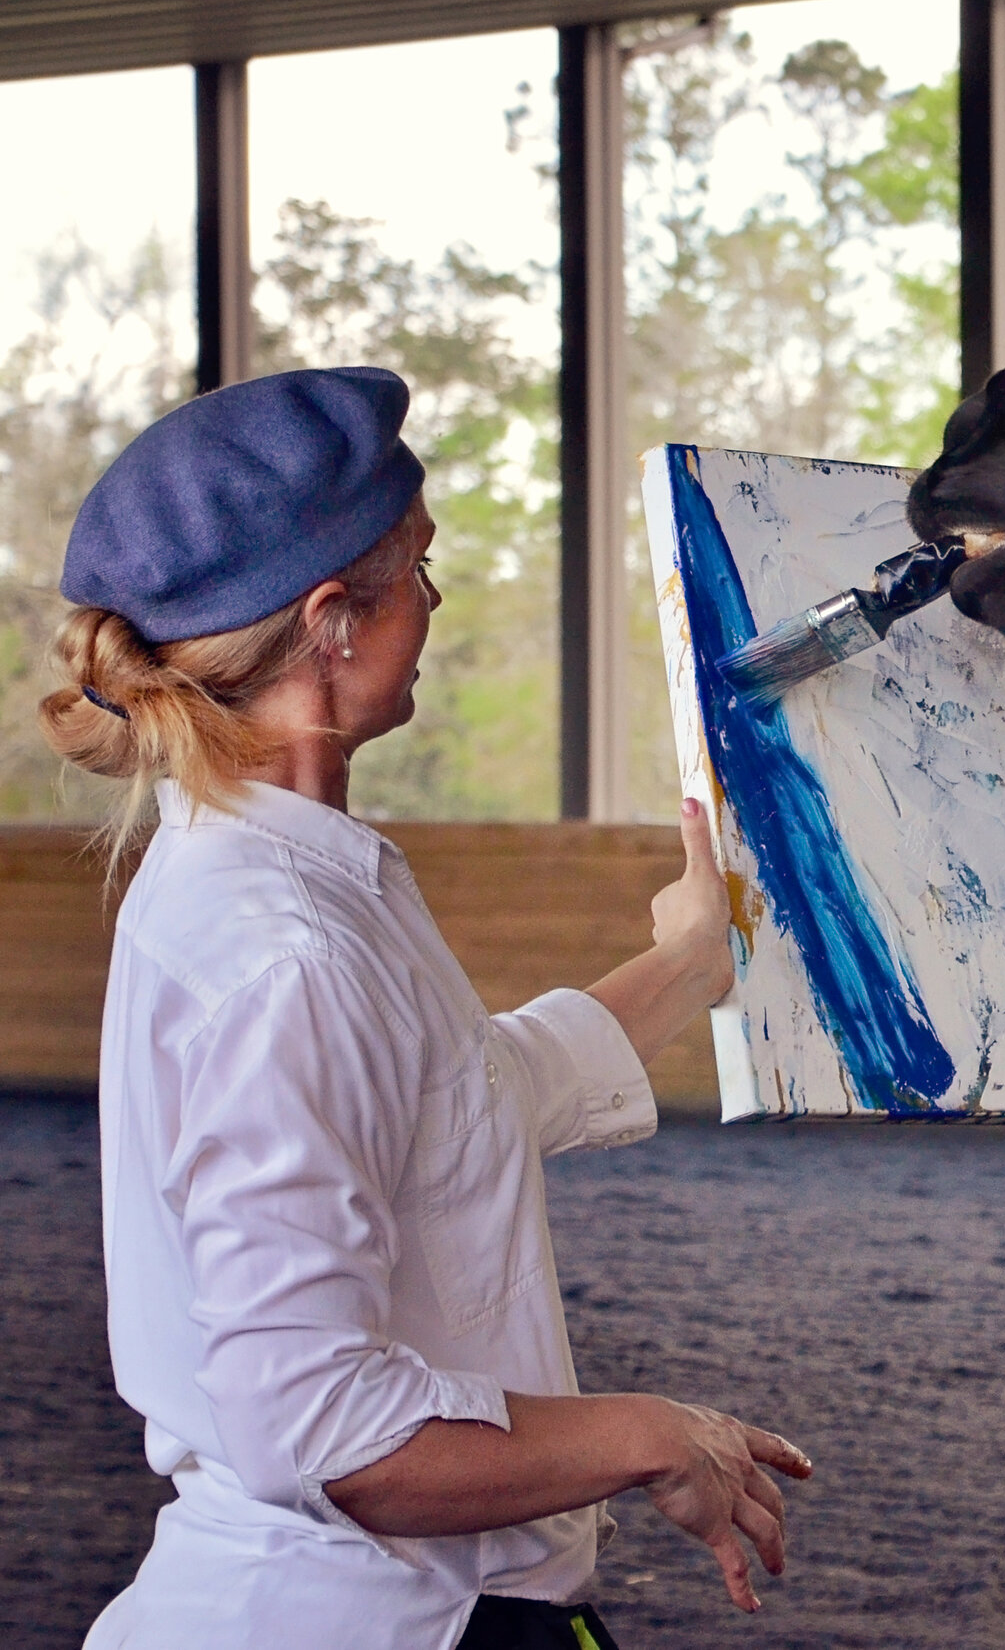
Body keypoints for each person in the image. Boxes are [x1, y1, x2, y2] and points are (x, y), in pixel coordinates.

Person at [39, 367, 812, 1650]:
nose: (439, 602)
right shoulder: (283, 950)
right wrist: (647, 1434)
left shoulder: (281, 873)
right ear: (335, 620)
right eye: (423, 568)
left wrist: (691, 957)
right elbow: (327, 1426)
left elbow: (453, 1097)